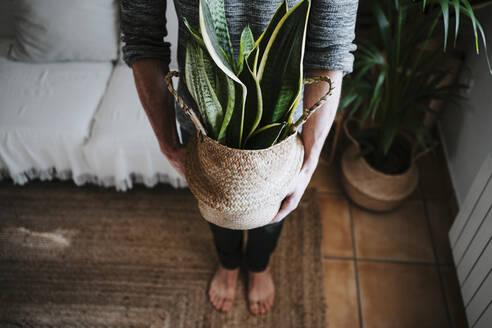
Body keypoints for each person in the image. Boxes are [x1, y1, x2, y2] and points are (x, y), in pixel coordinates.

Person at [120, 0, 358, 315]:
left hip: (281, 122)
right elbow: (142, 37)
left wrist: (310, 160)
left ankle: (258, 265)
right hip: (204, 120)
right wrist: (167, 143)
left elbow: (330, 47)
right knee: (219, 205)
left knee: (274, 210)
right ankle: (229, 263)